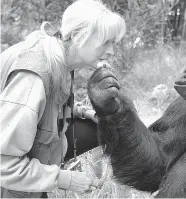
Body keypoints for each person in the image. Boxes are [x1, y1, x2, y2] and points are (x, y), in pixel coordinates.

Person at [0, 0, 126, 197]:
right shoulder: (33, 78)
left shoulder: (58, 57)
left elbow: (45, 105)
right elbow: (3, 166)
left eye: (113, 43)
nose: (111, 51)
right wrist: (66, 179)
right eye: (105, 42)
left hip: (24, 150)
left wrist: (84, 112)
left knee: (103, 127)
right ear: (77, 35)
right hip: (7, 177)